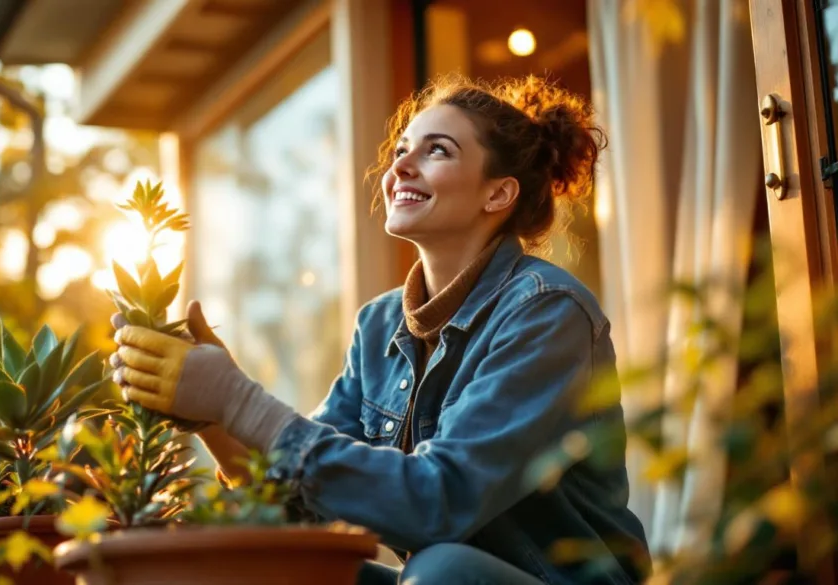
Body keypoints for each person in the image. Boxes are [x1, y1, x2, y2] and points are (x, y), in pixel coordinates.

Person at [109, 74, 651, 584]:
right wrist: (211, 418)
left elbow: (439, 504)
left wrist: (236, 399)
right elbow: (298, 515)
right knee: (274, 570)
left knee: (440, 571)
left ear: (498, 194)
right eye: (401, 151)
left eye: (437, 150)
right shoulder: (380, 325)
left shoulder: (545, 312)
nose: (401, 167)